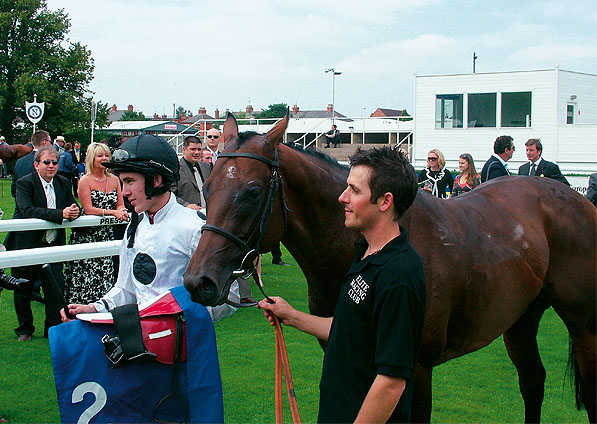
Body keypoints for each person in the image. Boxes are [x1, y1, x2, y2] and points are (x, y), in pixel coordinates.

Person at [259, 147, 426, 423]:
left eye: (354, 190)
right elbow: (350, 328)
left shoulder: (399, 275)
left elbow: (391, 382)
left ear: (385, 202)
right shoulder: (366, 253)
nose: (342, 197)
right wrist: (292, 316)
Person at [62, 134, 236, 322]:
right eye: (122, 182)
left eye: (129, 181)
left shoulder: (196, 227)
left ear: (156, 180)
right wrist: (94, 308)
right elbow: (125, 289)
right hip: (143, 344)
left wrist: (181, 321)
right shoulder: (134, 227)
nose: (124, 192)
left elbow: (230, 296)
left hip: (186, 346)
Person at [10, 146, 80, 340]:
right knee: (23, 289)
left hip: (54, 244)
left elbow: (72, 204)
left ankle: (52, 329)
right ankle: (24, 329)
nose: (51, 166)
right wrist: (60, 214)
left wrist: (75, 212)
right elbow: (27, 210)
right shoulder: (25, 183)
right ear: (36, 164)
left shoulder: (63, 182)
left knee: (55, 288)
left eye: (54, 162)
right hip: (26, 243)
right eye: (46, 162)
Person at [64, 143, 129, 304]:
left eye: (106, 155)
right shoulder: (85, 181)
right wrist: (112, 212)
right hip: (88, 234)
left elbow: (119, 203)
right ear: (92, 158)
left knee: (106, 272)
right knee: (86, 275)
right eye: (100, 156)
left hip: (107, 233)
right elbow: (88, 208)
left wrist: (121, 210)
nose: (104, 158)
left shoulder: (114, 179)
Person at [11, 130, 52, 198]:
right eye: (50, 142)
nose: (51, 145)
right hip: (38, 205)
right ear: (44, 142)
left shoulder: (19, 161)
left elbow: (14, 188)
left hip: (21, 203)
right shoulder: (47, 162)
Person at [176, 136, 211, 210]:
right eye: (193, 149)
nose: (196, 152)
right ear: (184, 149)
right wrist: (186, 205)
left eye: (199, 149)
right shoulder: (176, 169)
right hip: (186, 215)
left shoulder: (206, 167)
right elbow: (170, 196)